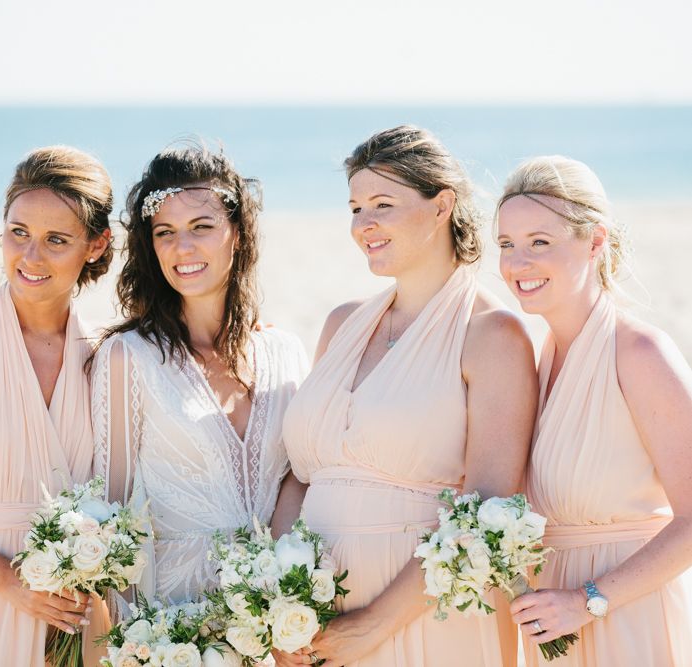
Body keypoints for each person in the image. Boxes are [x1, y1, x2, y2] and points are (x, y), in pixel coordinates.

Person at [275, 125, 537, 667]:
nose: (363, 224)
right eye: (354, 207)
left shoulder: (492, 335)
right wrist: (278, 597)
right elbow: (300, 479)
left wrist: (375, 625)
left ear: (441, 207)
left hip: (424, 616)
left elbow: (488, 505)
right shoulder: (341, 323)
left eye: (383, 205)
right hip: (316, 622)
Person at [90, 143, 308, 612]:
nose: (181, 247)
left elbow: (306, 479)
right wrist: (135, 643)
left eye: (202, 227)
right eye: (165, 232)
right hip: (176, 624)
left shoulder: (286, 353)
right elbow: (114, 512)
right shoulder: (128, 357)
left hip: (279, 619)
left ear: (238, 235)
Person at [497, 155, 692, 666]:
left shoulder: (640, 353)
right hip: (555, 626)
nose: (518, 263)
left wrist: (589, 601)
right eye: (506, 245)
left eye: (540, 242)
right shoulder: (540, 360)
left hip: (627, 618)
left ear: (595, 241)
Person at [0, 146, 113, 666]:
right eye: (18, 232)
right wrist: (11, 583)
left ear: (96, 245)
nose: (30, 257)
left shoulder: (107, 356)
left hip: (75, 622)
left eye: (56, 240)